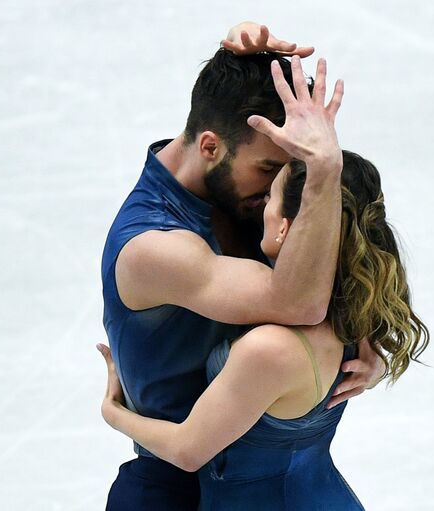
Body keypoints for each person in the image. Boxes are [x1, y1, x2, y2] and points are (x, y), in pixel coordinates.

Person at [100, 22, 384, 511]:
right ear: (210, 147)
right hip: (174, 492)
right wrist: (325, 170)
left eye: (295, 168)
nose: (288, 187)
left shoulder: (250, 193)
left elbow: (355, 263)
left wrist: (368, 345)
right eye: (272, 171)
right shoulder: (154, 247)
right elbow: (300, 301)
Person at [98, 150, 430, 509]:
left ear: (286, 226)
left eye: (270, 196)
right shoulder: (355, 314)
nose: (261, 207)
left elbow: (187, 450)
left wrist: (114, 412)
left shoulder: (270, 349)